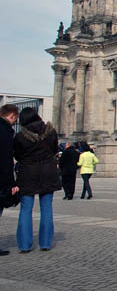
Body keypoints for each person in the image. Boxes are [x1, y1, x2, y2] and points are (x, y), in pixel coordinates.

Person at [13, 108, 61, 252]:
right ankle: (45, 243)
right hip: (48, 172)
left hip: (28, 173)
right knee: (46, 208)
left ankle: (24, 245)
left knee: (26, 209)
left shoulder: (20, 136)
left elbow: (17, 155)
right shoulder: (51, 132)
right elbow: (54, 150)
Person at [0, 105, 20, 256]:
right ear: (12, 115)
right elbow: (6, 160)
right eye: (15, 119)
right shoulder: (5, 131)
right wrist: (11, 183)